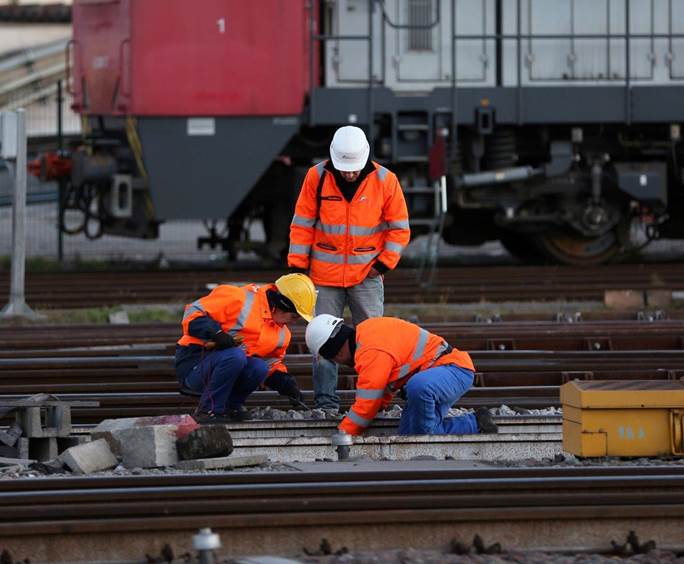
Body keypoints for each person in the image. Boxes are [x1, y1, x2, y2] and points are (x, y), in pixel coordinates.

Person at [288, 125, 410, 413]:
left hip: (366, 276)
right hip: (324, 277)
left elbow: (399, 228)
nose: (349, 174)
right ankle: (326, 403)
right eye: (345, 169)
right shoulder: (316, 177)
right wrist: (297, 265)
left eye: (354, 169)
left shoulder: (384, 180)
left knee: (373, 341)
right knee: (322, 341)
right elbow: (302, 223)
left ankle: (373, 400)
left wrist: (382, 264)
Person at [305, 314, 499, 437]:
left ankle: (472, 423)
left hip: (453, 370)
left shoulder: (370, 351)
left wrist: (344, 433)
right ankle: (476, 423)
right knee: (411, 436)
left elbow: (367, 403)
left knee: (417, 388)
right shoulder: (367, 333)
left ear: (336, 353)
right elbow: (383, 388)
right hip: (437, 377)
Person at [175, 273, 316, 423]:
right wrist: (216, 333)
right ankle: (208, 411)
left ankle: (230, 408)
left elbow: (270, 364)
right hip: (194, 365)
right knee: (235, 356)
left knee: (259, 367)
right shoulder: (239, 298)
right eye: (295, 316)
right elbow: (192, 314)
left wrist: (285, 383)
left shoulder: (282, 333)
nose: (294, 322)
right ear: (283, 305)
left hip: (224, 368)